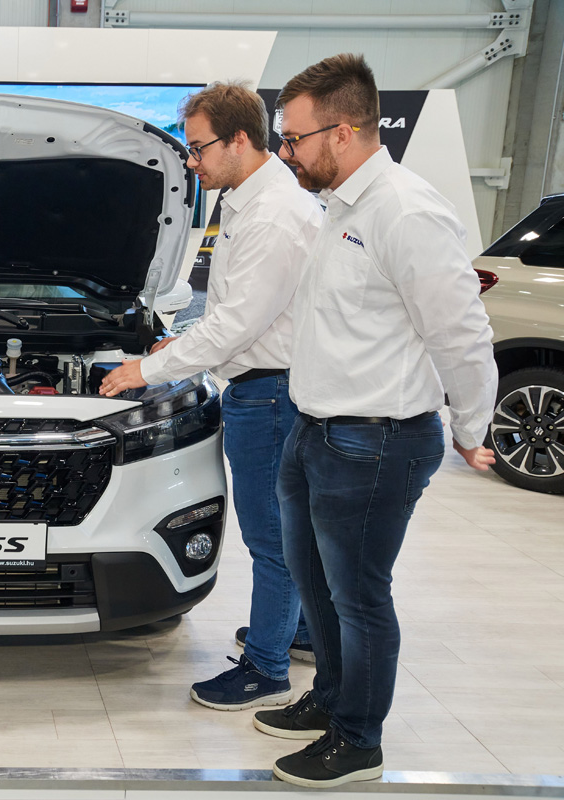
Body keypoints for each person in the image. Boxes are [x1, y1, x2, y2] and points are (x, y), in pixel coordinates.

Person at [255, 54, 498, 788]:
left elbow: (461, 333)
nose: (286, 152)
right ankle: (330, 699)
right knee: (317, 585)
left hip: (376, 440)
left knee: (359, 598)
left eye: (294, 138)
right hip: (315, 429)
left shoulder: (406, 211)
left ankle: (358, 741)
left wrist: (472, 429)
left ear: (344, 131)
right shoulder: (342, 208)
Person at [98, 82, 322, 710]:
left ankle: (266, 668)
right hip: (265, 385)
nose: (192, 162)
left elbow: (236, 325)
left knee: (271, 539)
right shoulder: (255, 201)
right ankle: (298, 632)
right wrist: (176, 343)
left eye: (198, 148)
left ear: (239, 139)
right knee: (289, 531)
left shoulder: (275, 214)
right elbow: (231, 313)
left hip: (270, 394)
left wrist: (146, 370)